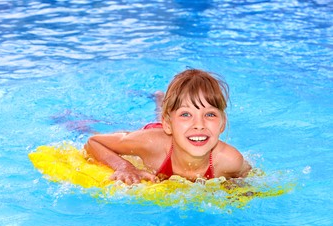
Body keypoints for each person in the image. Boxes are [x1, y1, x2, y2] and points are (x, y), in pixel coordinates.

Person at [84, 69, 251, 185]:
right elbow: (94, 142)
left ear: (222, 123)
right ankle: (161, 102)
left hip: (176, 129)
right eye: (186, 114)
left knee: (175, 120)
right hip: (157, 132)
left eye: (210, 115)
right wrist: (125, 167)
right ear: (168, 124)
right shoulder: (151, 144)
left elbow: (249, 176)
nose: (199, 125)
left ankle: (166, 103)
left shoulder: (229, 160)